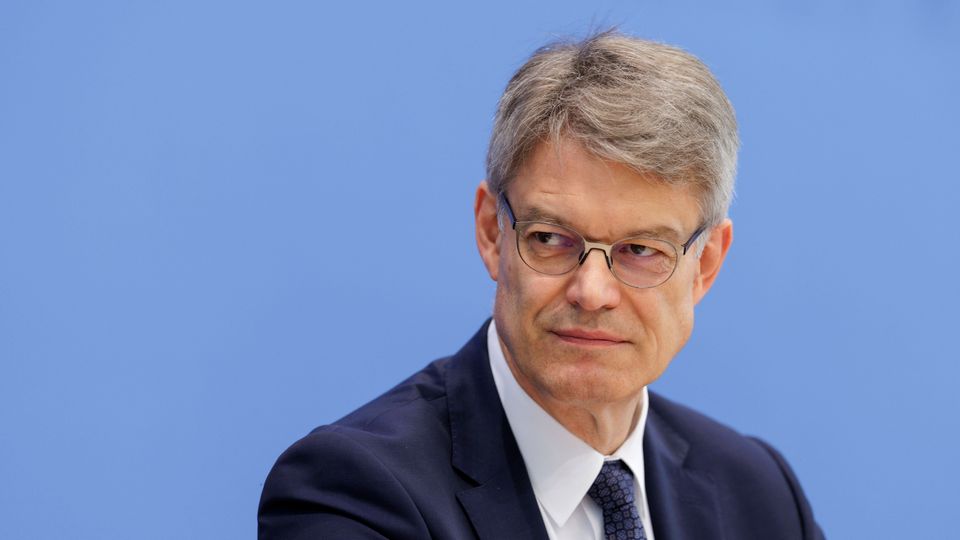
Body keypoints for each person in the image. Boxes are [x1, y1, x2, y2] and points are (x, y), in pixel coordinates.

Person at [258, 30, 824, 540]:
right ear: (491, 233)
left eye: (641, 250)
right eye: (551, 239)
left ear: (705, 265)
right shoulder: (352, 494)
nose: (592, 292)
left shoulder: (760, 495)